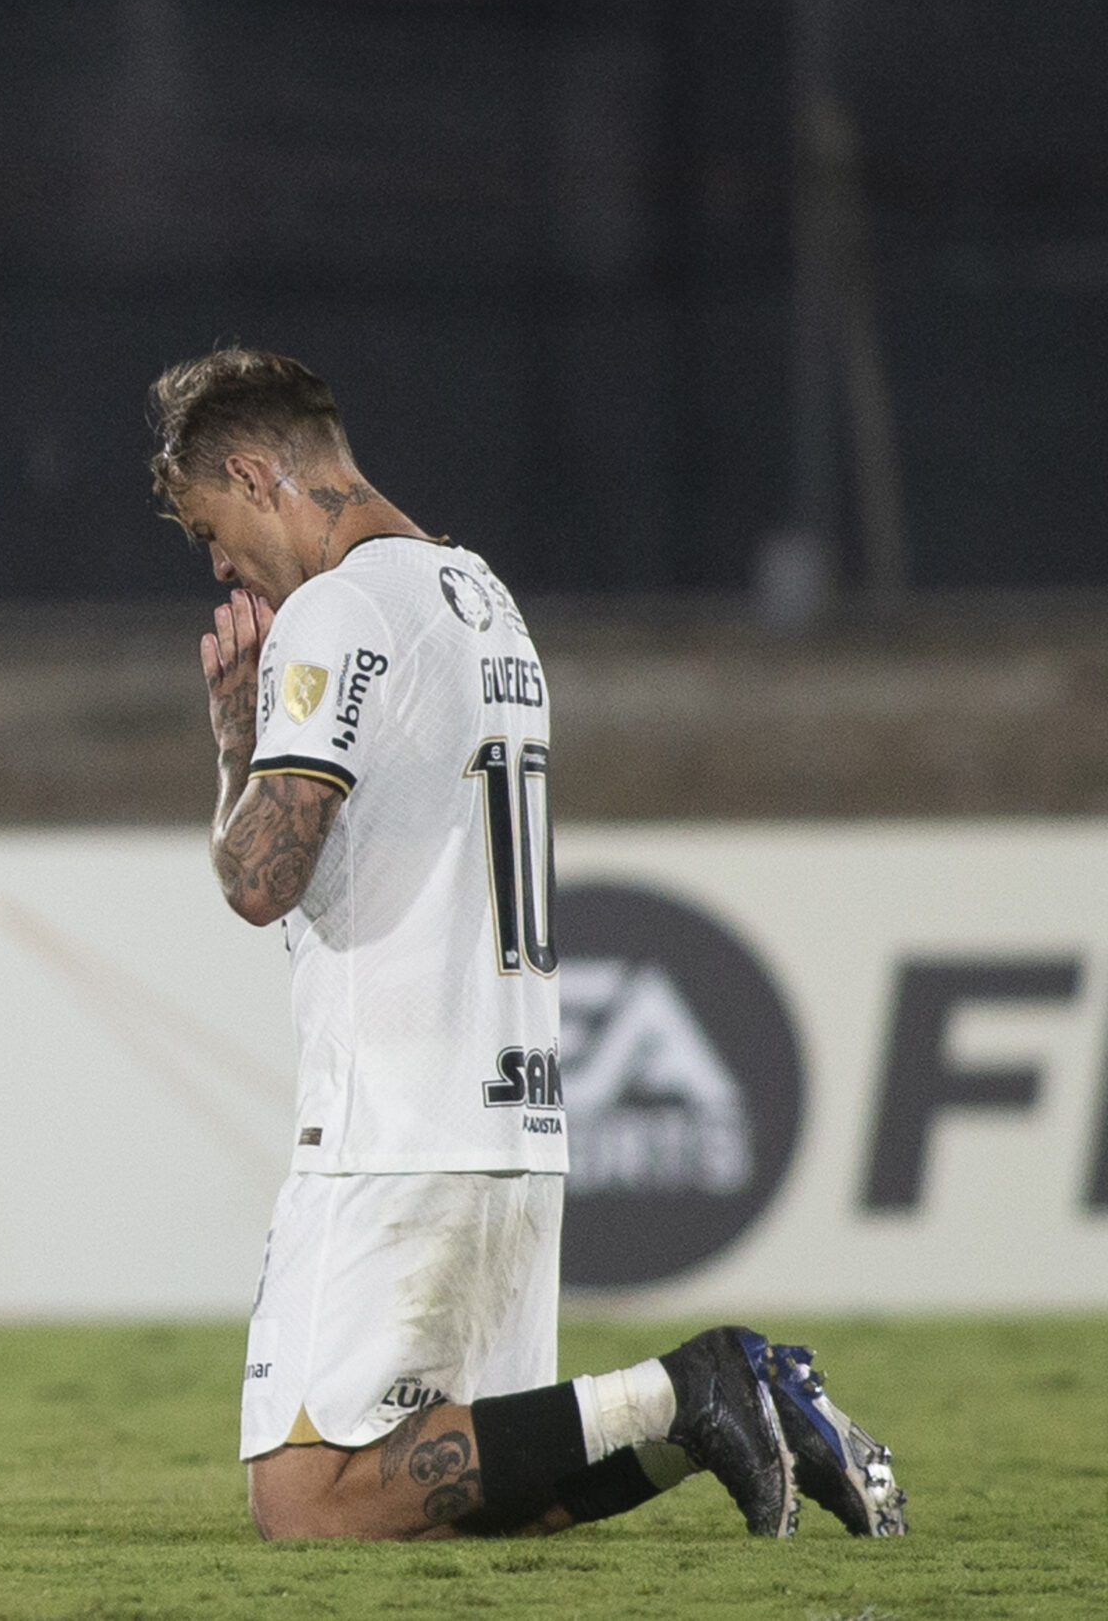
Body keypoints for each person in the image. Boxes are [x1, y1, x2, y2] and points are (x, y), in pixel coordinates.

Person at [146, 346, 906, 1542]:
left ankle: (702, 1385)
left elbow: (259, 879)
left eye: (208, 526)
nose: (220, 564)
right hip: (512, 1127)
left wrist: (235, 741)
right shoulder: (481, 598)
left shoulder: (335, 613)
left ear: (253, 471)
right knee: (472, 1493)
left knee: (307, 1502)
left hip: (389, 1131)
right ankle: (719, 1410)